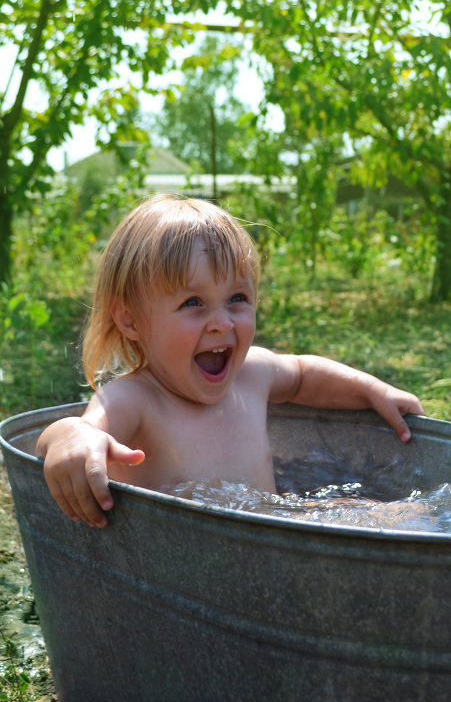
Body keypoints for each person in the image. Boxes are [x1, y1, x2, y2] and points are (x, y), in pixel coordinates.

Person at [36, 194, 424, 528]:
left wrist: (373, 390)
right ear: (131, 320)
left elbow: (305, 376)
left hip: (271, 538)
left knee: (401, 516)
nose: (221, 322)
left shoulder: (252, 375)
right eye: (193, 303)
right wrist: (73, 438)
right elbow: (72, 430)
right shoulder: (136, 400)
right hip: (183, 564)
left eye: (237, 298)